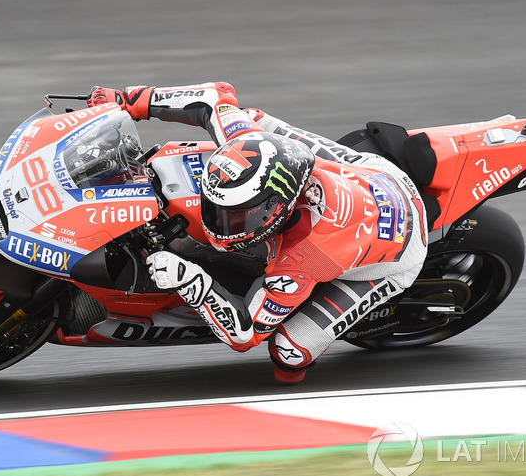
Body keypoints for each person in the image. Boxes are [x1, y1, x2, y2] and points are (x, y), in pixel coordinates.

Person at [87, 82, 428, 383]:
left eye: (235, 217)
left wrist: (190, 280)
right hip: (373, 173)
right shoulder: (244, 143)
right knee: (252, 119)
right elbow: (214, 98)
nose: (217, 223)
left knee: (288, 353)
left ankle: (303, 356)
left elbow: (244, 334)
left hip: (399, 253)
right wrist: (127, 100)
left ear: (276, 209)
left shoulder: (306, 258)